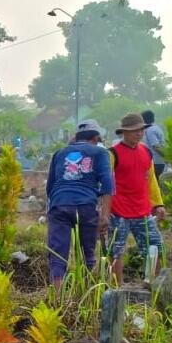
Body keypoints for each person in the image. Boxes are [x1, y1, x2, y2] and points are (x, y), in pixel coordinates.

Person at [45, 121, 114, 291]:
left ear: (76, 137)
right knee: (87, 254)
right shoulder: (100, 152)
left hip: (59, 203)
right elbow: (107, 184)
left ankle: (57, 298)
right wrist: (105, 216)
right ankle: (86, 295)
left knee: (57, 254)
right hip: (86, 205)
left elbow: (50, 187)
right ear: (96, 137)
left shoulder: (60, 153)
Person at [108, 113, 165, 285]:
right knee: (116, 251)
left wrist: (158, 204)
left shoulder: (146, 151)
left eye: (141, 130)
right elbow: (106, 184)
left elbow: (151, 179)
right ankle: (118, 287)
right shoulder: (112, 154)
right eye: (134, 130)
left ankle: (152, 284)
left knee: (155, 247)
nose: (139, 133)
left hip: (143, 211)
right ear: (124, 132)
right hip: (119, 212)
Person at [141, 110, 166, 179]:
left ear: (143, 119)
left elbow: (156, 146)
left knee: (154, 182)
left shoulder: (150, 130)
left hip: (155, 162)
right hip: (157, 161)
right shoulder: (155, 128)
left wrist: (167, 157)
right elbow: (157, 145)